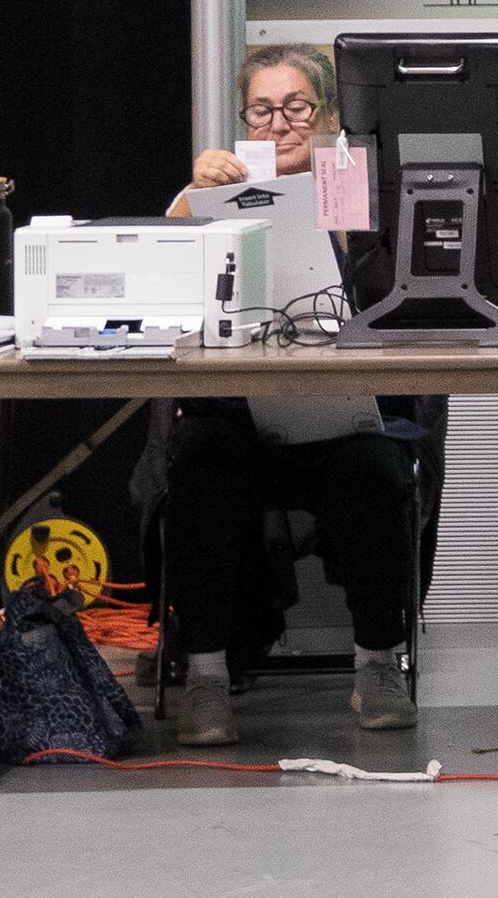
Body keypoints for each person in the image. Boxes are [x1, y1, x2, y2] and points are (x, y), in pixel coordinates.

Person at [154, 46, 419, 743]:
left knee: (374, 474)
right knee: (198, 468)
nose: (281, 124)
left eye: (298, 107)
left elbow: (397, 301)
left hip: (339, 418)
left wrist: (341, 212)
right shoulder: (210, 199)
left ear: (327, 113)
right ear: (245, 119)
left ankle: (377, 667)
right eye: (263, 110)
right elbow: (153, 283)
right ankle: (206, 676)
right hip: (236, 419)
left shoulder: (360, 193)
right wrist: (190, 199)